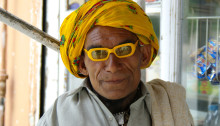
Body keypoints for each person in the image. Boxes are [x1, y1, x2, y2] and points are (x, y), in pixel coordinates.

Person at [37, 0, 194, 125]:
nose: (112, 66)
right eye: (98, 53)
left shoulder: (170, 104)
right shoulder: (59, 118)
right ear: (83, 65)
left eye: (124, 50)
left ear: (144, 55)